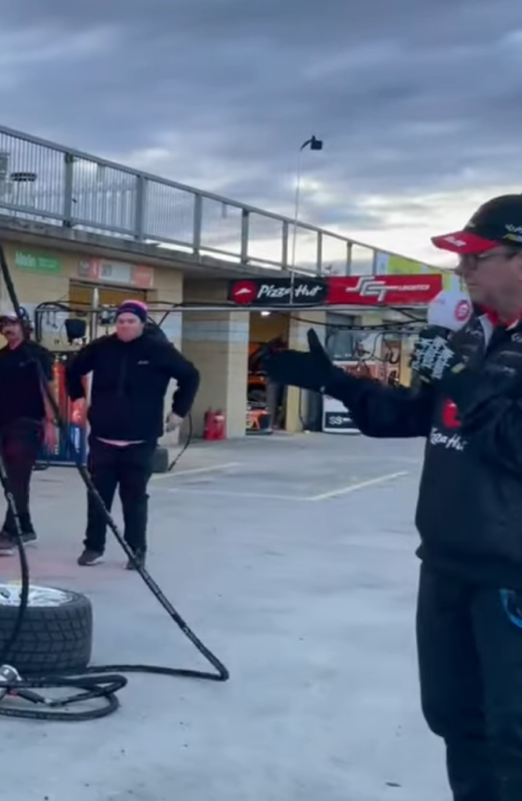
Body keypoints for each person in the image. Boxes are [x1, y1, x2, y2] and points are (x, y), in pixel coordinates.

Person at [265, 194, 522, 801]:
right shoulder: (470, 336)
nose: (464, 270)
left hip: (511, 577)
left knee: (514, 737)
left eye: (478, 257)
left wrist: (463, 382)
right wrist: (335, 384)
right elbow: (407, 416)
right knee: (457, 722)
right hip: (445, 564)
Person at [66, 300, 200, 569]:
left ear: (142, 323)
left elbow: (190, 376)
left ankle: (136, 550)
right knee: (98, 497)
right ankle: (93, 547)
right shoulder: (102, 348)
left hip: (140, 441)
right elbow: (72, 368)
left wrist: (178, 411)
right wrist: (78, 397)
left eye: (131, 321)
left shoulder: (158, 350)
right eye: (121, 321)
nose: (125, 326)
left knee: (134, 500)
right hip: (103, 439)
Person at [0, 310, 58, 555]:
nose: (7, 328)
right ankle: (26, 527)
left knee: (17, 480)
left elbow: (47, 389)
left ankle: (10, 533)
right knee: (10, 481)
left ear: (24, 325)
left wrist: (50, 423)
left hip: (28, 423)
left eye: (12, 323)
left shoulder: (37, 355)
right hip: (1, 424)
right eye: (4, 324)